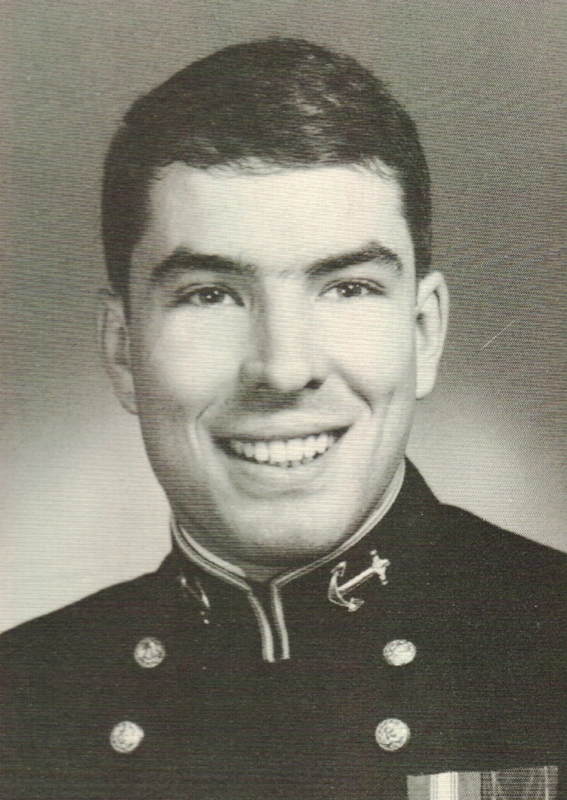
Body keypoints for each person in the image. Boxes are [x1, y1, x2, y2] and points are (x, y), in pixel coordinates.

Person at [1, 38, 565, 800]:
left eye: (347, 287)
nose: (281, 367)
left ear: (423, 333)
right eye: (209, 295)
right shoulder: (20, 704)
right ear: (124, 349)